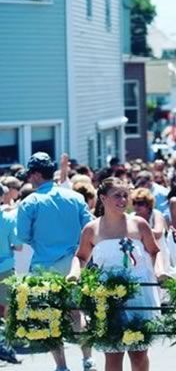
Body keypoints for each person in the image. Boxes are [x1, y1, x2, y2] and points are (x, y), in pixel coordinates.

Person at [67, 177, 167, 371]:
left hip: (139, 294)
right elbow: (80, 257)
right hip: (107, 296)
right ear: (103, 198)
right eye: (117, 196)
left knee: (139, 354)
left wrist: (160, 271)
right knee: (113, 355)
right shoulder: (91, 229)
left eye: (125, 195)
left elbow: (155, 251)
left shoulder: (139, 224)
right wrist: (74, 273)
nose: (122, 200)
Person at [16, 152, 96, 371]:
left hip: (44, 264)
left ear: (35, 175)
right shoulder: (75, 197)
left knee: (49, 315)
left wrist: (39, 238)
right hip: (73, 264)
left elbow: (22, 236)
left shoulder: (30, 202)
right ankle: (88, 359)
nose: (28, 179)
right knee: (76, 312)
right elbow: (90, 229)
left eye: (30, 175)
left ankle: (61, 365)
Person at [0, 184, 22, 364]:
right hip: (5, 267)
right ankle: (7, 344)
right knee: (7, 308)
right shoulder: (8, 219)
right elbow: (19, 245)